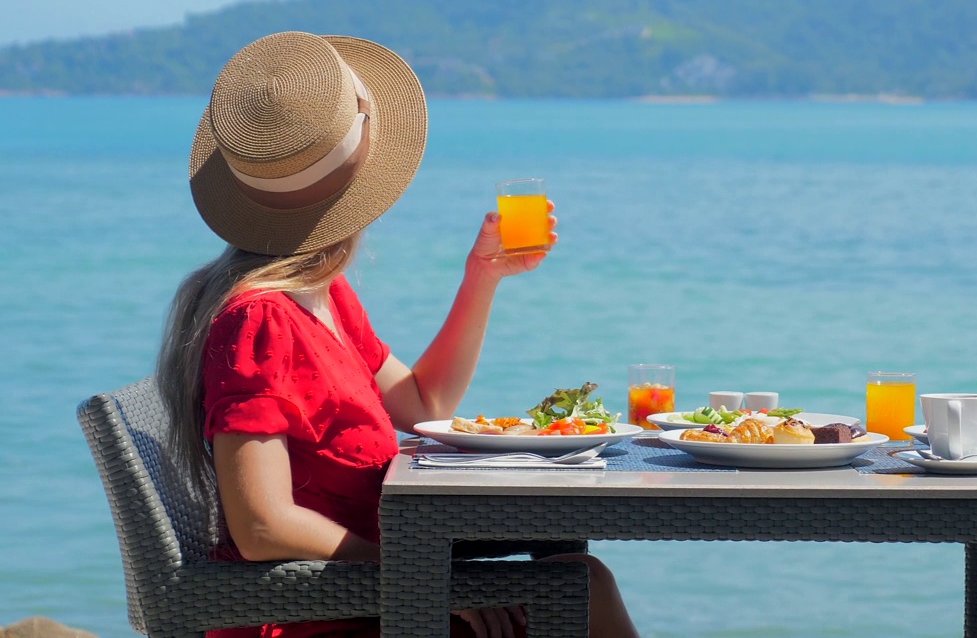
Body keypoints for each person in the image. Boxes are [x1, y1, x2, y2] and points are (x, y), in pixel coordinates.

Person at [156, 32, 639, 638]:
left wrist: (481, 277)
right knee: (582, 586)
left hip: (376, 587)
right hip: (327, 612)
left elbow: (422, 404)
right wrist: (426, 579)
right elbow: (262, 528)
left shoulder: (322, 294)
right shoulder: (259, 320)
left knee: (575, 572)